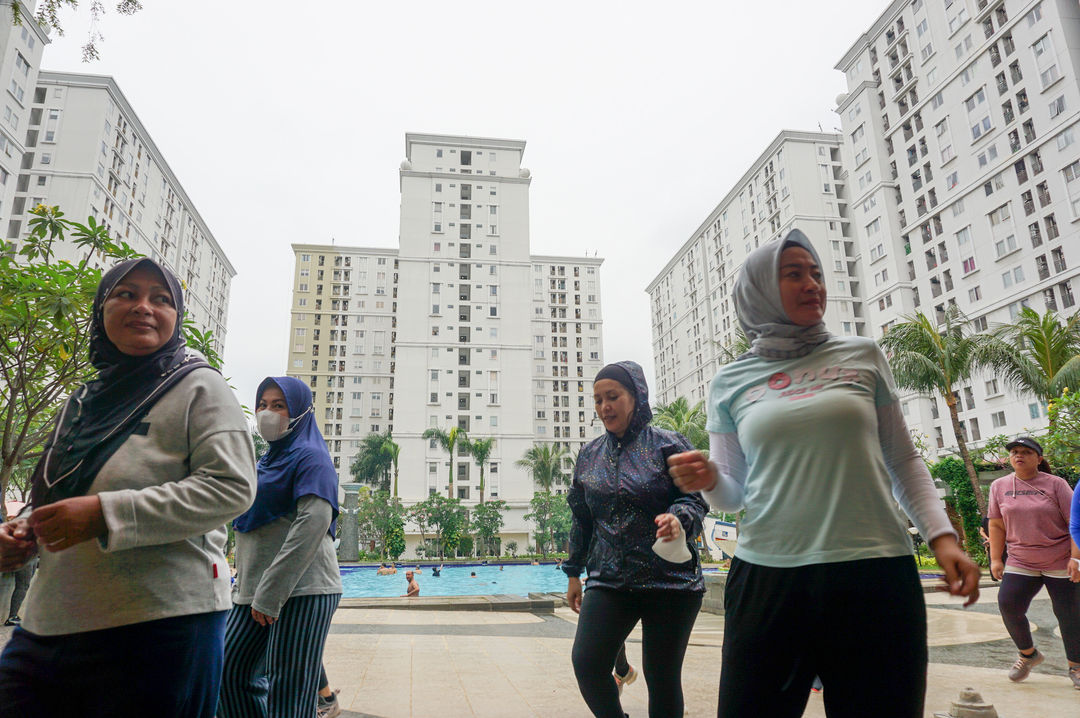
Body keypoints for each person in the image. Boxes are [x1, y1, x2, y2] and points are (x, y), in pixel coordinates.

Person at [667, 229, 979, 718]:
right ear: (761, 291)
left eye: (815, 272)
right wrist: (708, 478)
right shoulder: (731, 380)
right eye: (794, 274)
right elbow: (732, 495)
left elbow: (902, 458)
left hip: (874, 574)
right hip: (769, 578)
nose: (812, 283)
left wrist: (942, 538)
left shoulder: (862, 354)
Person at [0, 258, 257, 718]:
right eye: (126, 294)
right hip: (47, 622)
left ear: (176, 317)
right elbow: (59, 491)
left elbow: (231, 487)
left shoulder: (199, 388)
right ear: (101, 310)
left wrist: (105, 514)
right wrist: (24, 529)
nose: (143, 307)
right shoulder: (80, 402)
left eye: (161, 299)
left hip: (160, 626)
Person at [564, 360, 708, 718]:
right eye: (597, 400)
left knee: (662, 677)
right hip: (610, 580)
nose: (604, 407)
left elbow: (695, 498)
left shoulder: (668, 443)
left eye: (612, 397)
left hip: (670, 581)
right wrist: (573, 572)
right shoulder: (589, 455)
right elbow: (581, 518)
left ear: (636, 397)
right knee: (586, 663)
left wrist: (678, 519)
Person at [219, 377, 343, 718]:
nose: (267, 413)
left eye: (278, 405)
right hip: (251, 592)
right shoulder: (265, 460)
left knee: (288, 694)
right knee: (228, 674)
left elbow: (313, 524)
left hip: (302, 591)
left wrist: (271, 593)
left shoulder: (312, 457)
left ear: (300, 412)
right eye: (262, 405)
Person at [987, 436, 1080, 688]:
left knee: (1069, 614)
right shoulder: (999, 486)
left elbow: (1076, 522)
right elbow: (996, 524)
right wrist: (996, 558)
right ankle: (1028, 655)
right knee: (1008, 604)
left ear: (1038, 459)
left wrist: (1076, 557)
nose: (1019, 455)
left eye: (1026, 452)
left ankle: (1076, 666)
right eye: (1015, 451)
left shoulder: (1056, 485)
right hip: (1021, 558)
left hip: (1059, 558)